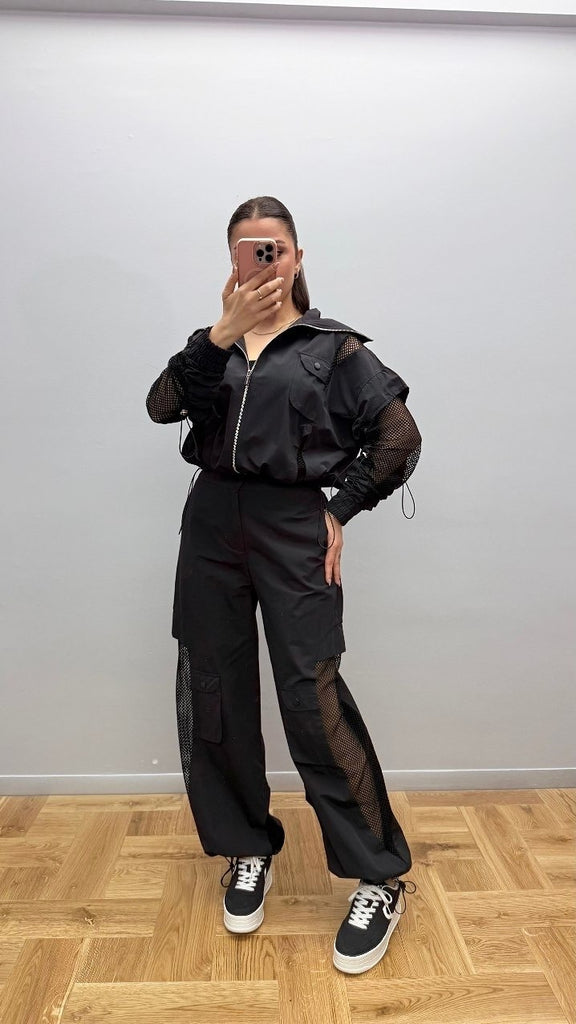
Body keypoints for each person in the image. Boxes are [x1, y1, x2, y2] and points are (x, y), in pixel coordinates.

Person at [146, 195, 421, 975]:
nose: (262, 259)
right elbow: (161, 406)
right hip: (212, 526)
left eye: (274, 246)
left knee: (311, 696)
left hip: (293, 527)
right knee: (216, 688)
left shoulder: (332, 348)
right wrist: (217, 335)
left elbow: (399, 436)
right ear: (232, 260)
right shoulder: (215, 346)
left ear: (298, 256)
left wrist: (339, 508)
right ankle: (246, 848)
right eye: (247, 247)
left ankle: (379, 877)